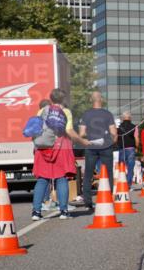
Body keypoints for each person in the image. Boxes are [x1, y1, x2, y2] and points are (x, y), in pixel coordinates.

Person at [31, 89, 87, 220]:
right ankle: (63, 211)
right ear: (63, 99)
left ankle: (36, 212)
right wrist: (82, 140)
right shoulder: (65, 112)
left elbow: (36, 129)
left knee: (42, 179)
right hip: (61, 148)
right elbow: (68, 130)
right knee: (61, 178)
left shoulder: (42, 111)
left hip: (43, 148)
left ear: (51, 98)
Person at [78, 91, 118, 212]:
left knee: (88, 175)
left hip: (91, 146)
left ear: (91, 100)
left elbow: (81, 133)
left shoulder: (86, 114)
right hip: (106, 146)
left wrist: (90, 134)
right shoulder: (108, 114)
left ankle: (88, 202)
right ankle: (108, 199)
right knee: (108, 173)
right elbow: (114, 133)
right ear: (101, 100)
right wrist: (112, 141)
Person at [116, 111, 139, 185]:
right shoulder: (134, 127)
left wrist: (118, 145)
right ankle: (128, 184)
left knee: (121, 166)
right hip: (131, 149)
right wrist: (136, 147)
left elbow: (115, 138)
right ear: (130, 118)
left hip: (121, 149)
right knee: (130, 167)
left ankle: (122, 182)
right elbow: (136, 138)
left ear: (122, 118)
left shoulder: (118, 128)